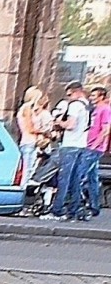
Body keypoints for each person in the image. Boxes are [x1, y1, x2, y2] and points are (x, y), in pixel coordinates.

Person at [49, 80, 94, 220]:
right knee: (75, 179)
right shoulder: (86, 105)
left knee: (64, 178)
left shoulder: (74, 106)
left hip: (70, 144)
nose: (68, 97)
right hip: (81, 144)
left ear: (76, 92)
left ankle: (57, 209)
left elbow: (70, 125)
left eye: (69, 94)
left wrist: (58, 122)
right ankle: (73, 209)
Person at [85, 85, 109, 219]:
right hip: (91, 146)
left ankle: (84, 204)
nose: (91, 98)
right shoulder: (96, 109)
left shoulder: (105, 109)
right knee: (92, 178)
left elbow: (105, 129)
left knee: (82, 175)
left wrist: (94, 145)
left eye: (94, 96)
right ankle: (95, 206)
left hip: (95, 148)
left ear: (101, 97)